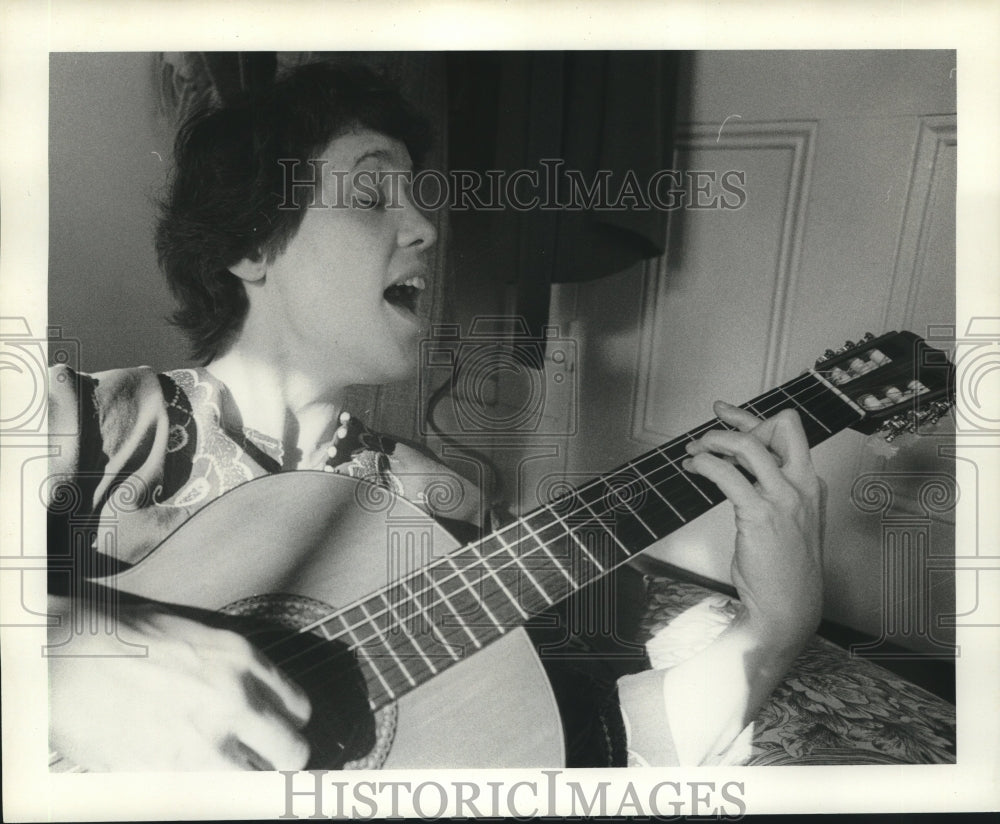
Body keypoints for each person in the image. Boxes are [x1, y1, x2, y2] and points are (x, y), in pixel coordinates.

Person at [46, 59, 824, 771]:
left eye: (419, 198)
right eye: (370, 194)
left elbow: (585, 746)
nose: (424, 227)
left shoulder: (439, 507)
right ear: (252, 245)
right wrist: (70, 651)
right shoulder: (87, 422)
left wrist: (772, 629)